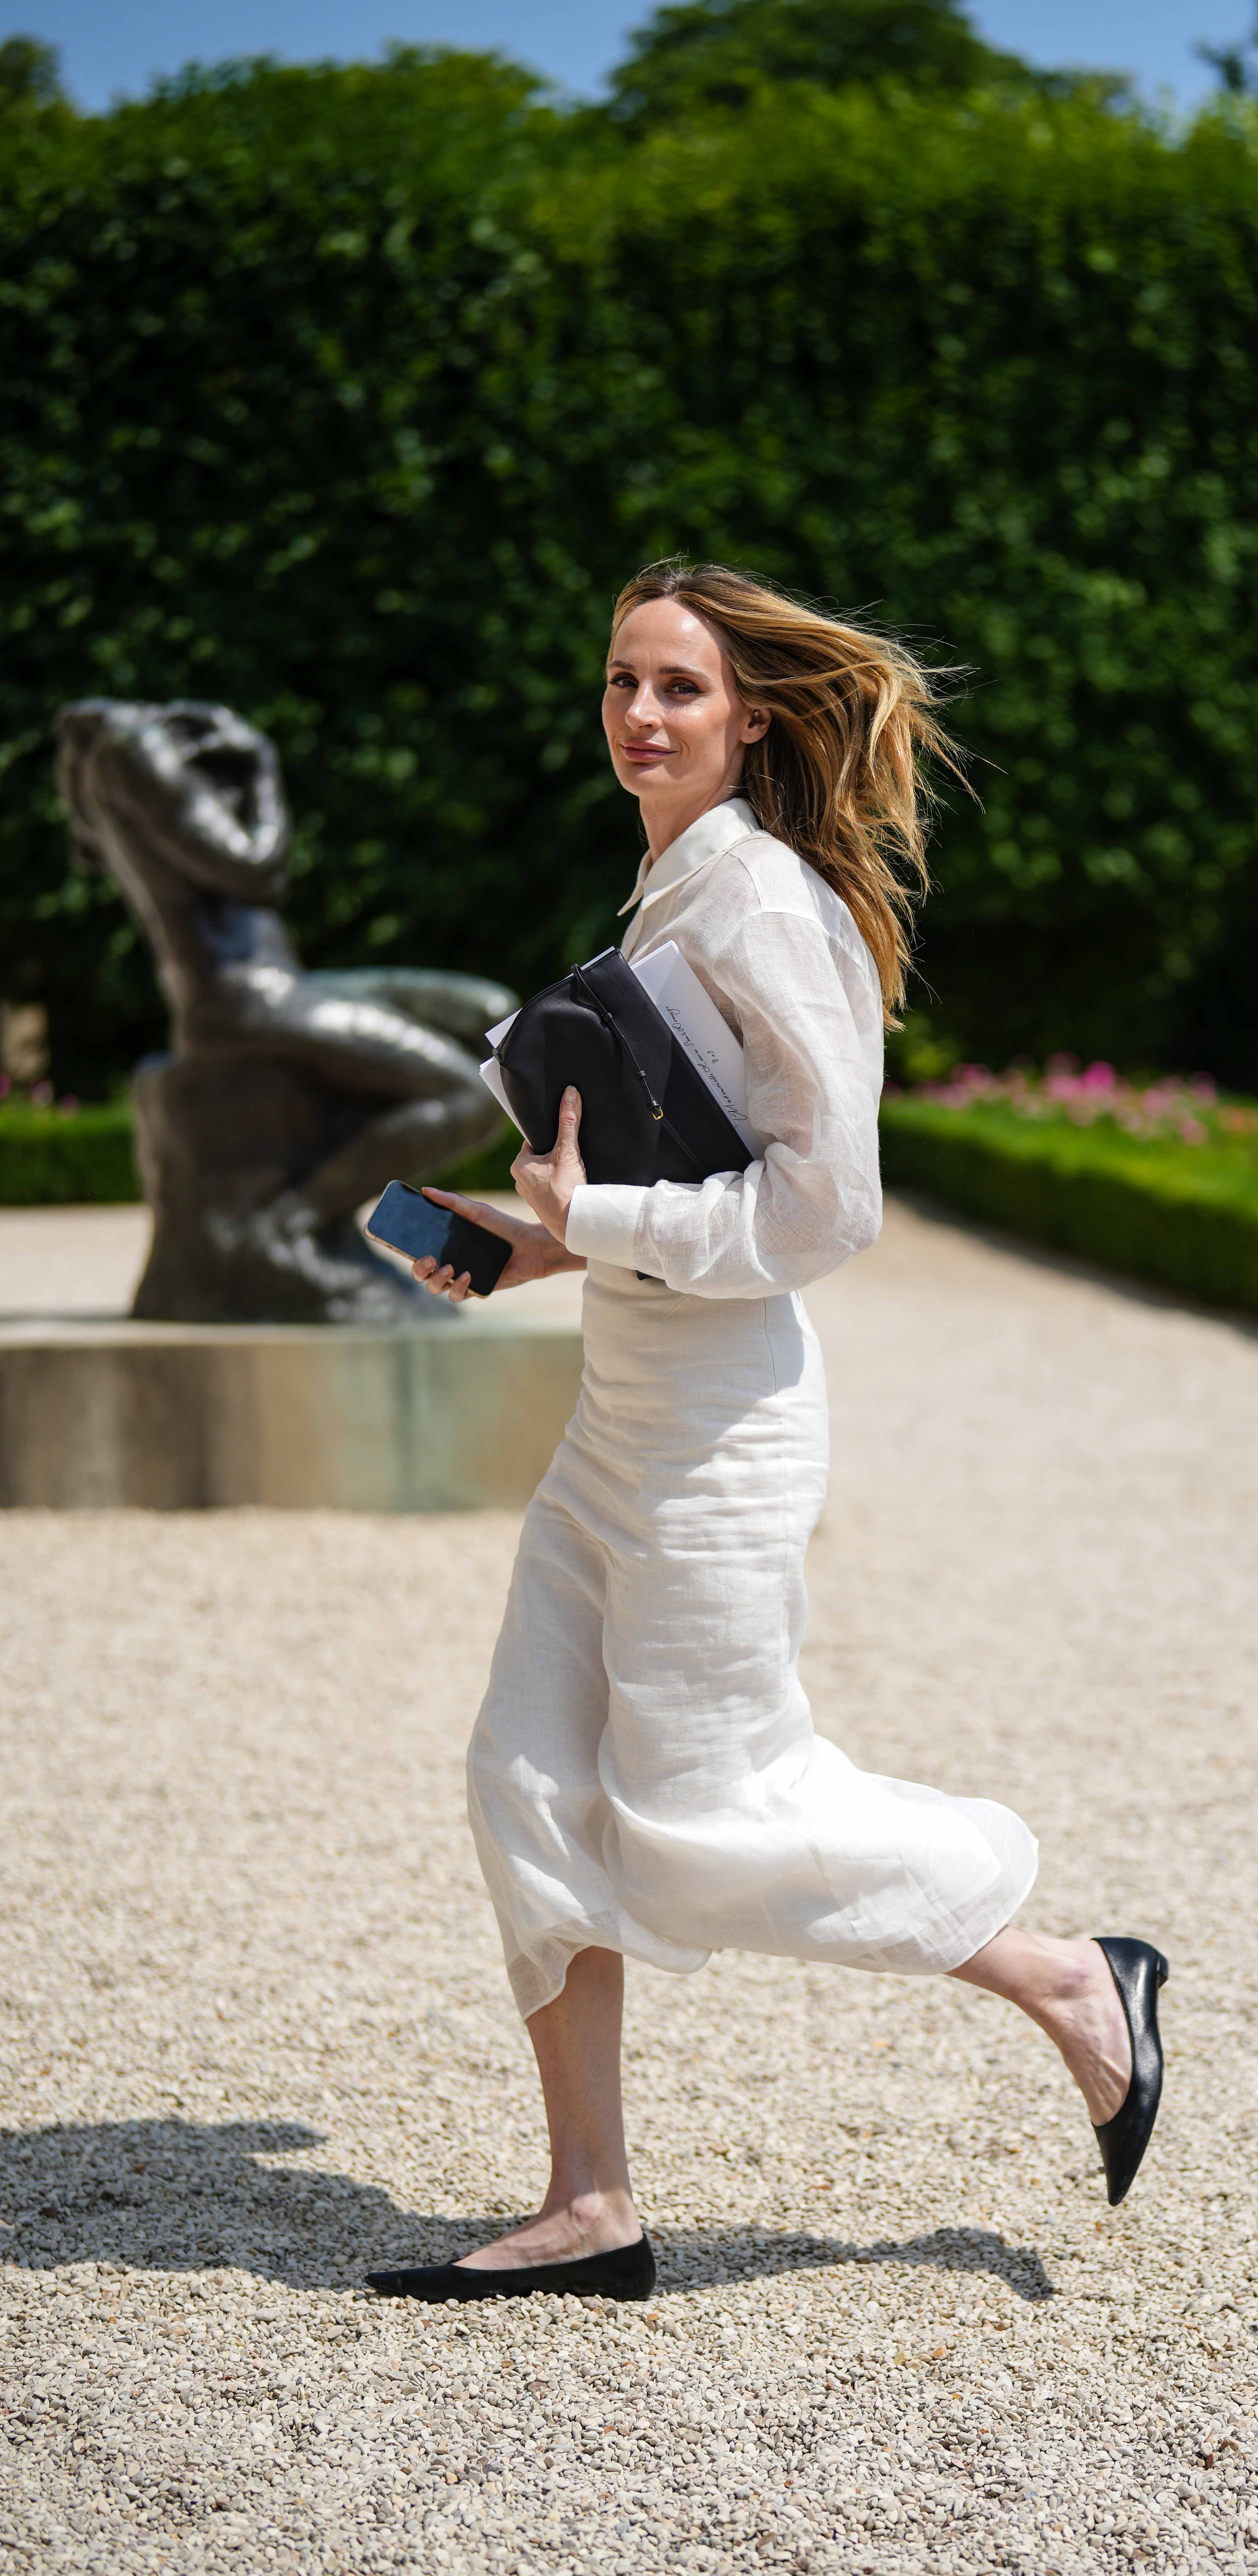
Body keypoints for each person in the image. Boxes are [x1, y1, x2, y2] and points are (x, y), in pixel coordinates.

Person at [368, 562, 1167, 2304]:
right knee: (522, 1777)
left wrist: (615, 1222)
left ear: (752, 718)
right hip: (621, 1421)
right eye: (619, 683)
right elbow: (673, 1185)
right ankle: (592, 2207)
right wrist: (519, 1235)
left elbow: (830, 1214)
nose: (640, 715)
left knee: (713, 1815)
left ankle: (1071, 1976)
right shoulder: (670, 884)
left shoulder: (762, 906)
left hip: (722, 1445)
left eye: (678, 688)